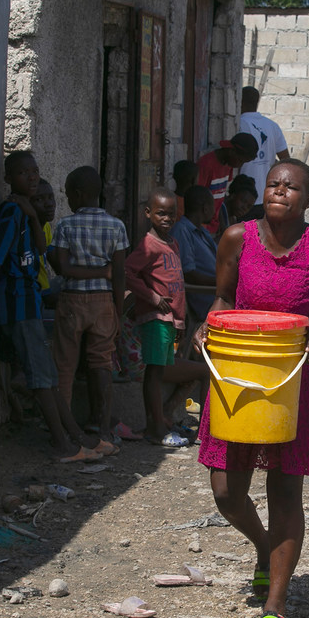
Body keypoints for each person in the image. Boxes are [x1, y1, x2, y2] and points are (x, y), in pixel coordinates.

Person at [193, 158, 309, 618]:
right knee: (226, 492)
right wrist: (205, 326)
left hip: (294, 381)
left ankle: (276, 601)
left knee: (284, 491)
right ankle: (262, 547)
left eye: (292, 187)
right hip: (239, 379)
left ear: (308, 198)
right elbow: (222, 299)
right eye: (274, 185)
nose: (280, 192)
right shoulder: (238, 238)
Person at [0, 151, 112, 461]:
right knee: (42, 376)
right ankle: (62, 444)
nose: (31, 177)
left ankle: (76, 437)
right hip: (18, 300)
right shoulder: (11, 212)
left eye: (34, 171)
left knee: (49, 374)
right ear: (8, 179)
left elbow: (41, 249)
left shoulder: (25, 214)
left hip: (29, 303)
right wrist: (16, 280)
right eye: (23, 173)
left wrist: (31, 215)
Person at [49, 165, 128, 449]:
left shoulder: (65, 226)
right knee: (101, 364)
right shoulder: (116, 226)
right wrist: (117, 310)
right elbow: (118, 274)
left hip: (71, 301)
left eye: (69, 194)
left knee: (65, 366)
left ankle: (65, 428)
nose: (68, 199)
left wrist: (84, 271)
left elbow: (65, 268)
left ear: (78, 194)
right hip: (104, 302)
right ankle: (103, 427)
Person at [125, 187, 190, 448]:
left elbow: (175, 284)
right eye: (161, 213)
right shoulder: (148, 245)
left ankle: (157, 424)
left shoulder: (171, 243)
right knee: (154, 372)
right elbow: (128, 272)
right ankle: (157, 428)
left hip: (169, 320)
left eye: (171, 214)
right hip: (155, 317)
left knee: (159, 370)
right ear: (148, 213)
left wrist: (180, 321)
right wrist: (151, 297)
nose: (167, 219)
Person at [239, 86, 290, 220]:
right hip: (266, 196)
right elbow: (286, 160)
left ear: (240, 100)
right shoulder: (272, 126)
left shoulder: (238, 124)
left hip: (242, 199)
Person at [196, 132, 258, 237]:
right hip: (202, 227)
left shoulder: (228, 165)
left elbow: (220, 198)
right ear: (232, 151)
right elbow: (197, 199)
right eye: (240, 160)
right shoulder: (206, 164)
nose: (240, 165)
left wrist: (223, 226)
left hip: (215, 227)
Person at [171, 185, 218, 321]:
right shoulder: (182, 231)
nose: (215, 211)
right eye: (212, 206)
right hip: (206, 295)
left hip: (217, 290)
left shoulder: (202, 231)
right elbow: (189, 275)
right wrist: (221, 282)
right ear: (205, 208)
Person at [30, 179, 60, 309]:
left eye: (50, 198)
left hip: (44, 290)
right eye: (39, 199)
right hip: (33, 292)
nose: (49, 204)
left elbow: (58, 266)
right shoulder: (26, 229)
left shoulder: (46, 227)